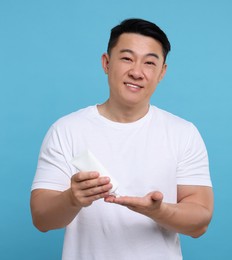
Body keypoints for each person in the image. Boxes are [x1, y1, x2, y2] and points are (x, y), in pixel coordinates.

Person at [30, 18, 214, 260]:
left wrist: (159, 211)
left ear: (162, 72)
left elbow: (199, 223)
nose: (137, 72)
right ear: (106, 63)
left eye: (149, 63)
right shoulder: (66, 130)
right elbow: (42, 219)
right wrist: (72, 198)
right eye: (127, 58)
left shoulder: (183, 133)